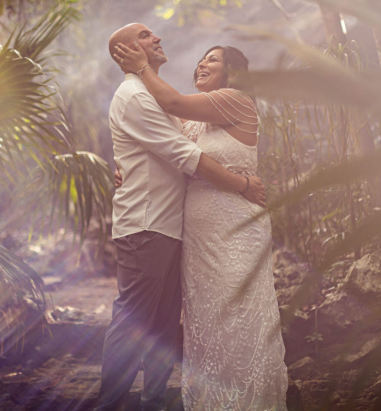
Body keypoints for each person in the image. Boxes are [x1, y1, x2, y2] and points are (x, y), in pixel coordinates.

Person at [95, 24, 267, 411]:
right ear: (126, 51)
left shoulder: (192, 100)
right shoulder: (138, 95)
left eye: (214, 59)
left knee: (165, 321)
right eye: (144, 35)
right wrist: (241, 183)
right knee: (135, 318)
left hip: (178, 226)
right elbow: (184, 154)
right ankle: (110, 405)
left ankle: (154, 401)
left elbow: (165, 142)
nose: (156, 37)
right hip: (147, 222)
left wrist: (127, 163)